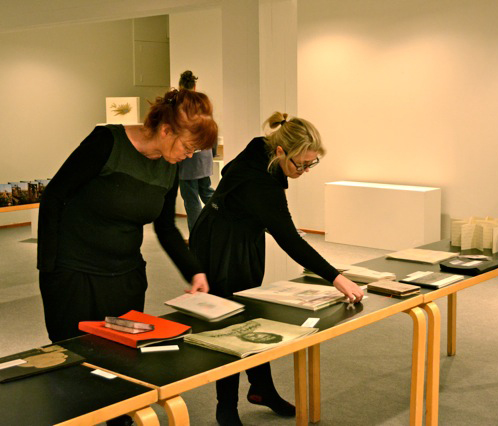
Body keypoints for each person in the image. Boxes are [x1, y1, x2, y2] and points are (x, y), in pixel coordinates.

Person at [189, 111, 364, 426]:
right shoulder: (260, 182)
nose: (305, 171)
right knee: (230, 325)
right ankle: (225, 407)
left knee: (252, 316)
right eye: (301, 164)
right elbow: (289, 240)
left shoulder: (262, 147)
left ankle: (261, 389)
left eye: (311, 163)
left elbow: (260, 211)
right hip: (221, 247)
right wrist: (337, 278)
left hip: (242, 238)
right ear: (281, 151)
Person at [37, 88, 218, 345]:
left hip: (125, 278)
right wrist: (49, 268)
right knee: (75, 354)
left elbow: (165, 227)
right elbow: (54, 196)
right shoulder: (107, 142)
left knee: (120, 357)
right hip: (76, 275)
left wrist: (194, 271)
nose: (188, 156)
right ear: (166, 130)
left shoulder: (169, 167)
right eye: (188, 147)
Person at [177, 70, 217, 231]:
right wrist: (212, 152)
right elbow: (212, 128)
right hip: (205, 155)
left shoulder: (180, 105)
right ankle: (221, 223)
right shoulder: (203, 103)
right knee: (207, 193)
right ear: (194, 86)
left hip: (187, 158)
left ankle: (196, 235)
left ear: (180, 86)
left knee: (191, 200)